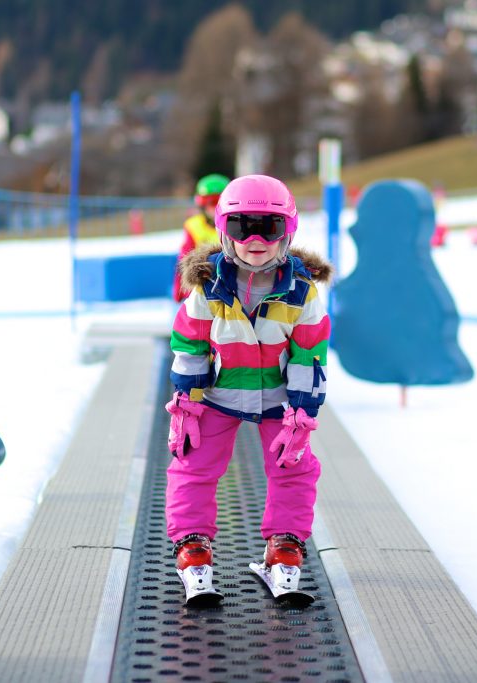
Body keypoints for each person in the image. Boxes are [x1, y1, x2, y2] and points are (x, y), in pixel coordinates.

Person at [165, 174, 331, 603]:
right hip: (220, 396)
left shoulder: (301, 292)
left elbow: (310, 352)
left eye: (269, 227)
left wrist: (301, 412)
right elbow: (190, 344)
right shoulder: (207, 288)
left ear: (287, 232)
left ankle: (285, 547)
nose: (255, 239)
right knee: (193, 464)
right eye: (242, 227)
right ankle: (193, 547)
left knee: (293, 466)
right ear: (224, 231)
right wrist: (188, 402)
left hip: (278, 400)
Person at [172, 173, 230, 302]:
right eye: (210, 203)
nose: (214, 207)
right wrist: (180, 290)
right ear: (203, 205)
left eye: (218, 202)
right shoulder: (193, 226)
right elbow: (184, 258)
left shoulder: (236, 224)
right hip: (205, 285)